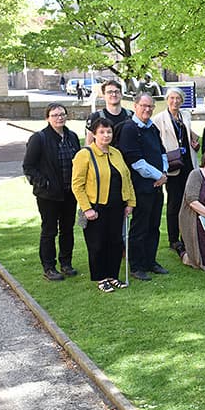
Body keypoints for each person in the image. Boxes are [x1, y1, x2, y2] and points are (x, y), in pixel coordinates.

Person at [72, 118, 136, 292]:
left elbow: (127, 179)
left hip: (117, 206)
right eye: (102, 132)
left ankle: (112, 275)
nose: (106, 135)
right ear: (93, 134)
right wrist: (87, 209)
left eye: (109, 132)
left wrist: (130, 202)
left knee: (115, 242)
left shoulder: (116, 153)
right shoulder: (84, 154)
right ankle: (101, 277)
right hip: (96, 207)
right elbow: (77, 185)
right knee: (97, 244)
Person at [23, 104, 82, 281]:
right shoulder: (39, 138)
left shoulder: (71, 137)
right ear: (48, 118)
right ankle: (49, 267)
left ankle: (66, 263)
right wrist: (44, 183)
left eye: (62, 114)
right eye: (55, 115)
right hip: (48, 195)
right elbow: (28, 166)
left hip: (69, 193)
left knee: (67, 229)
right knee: (49, 231)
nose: (59, 118)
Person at [117, 93, 169, 281]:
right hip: (140, 188)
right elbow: (135, 161)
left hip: (156, 186)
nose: (147, 109)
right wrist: (159, 175)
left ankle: (150, 261)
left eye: (150, 106)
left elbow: (162, 152)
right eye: (144, 106)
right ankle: (136, 265)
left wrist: (164, 173)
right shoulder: (129, 129)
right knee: (139, 228)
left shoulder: (152, 128)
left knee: (153, 226)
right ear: (136, 105)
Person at [153, 87, 200, 253]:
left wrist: (195, 142)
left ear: (182, 100)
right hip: (172, 165)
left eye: (178, 98)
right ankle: (173, 239)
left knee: (189, 200)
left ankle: (186, 235)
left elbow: (188, 134)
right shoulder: (159, 119)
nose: (175, 101)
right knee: (174, 203)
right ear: (167, 100)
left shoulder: (185, 115)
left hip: (187, 163)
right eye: (172, 98)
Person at [84, 79, 132, 144]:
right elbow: (89, 144)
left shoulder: (131, 115)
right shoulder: (95, 117)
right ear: (103, 95)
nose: (114, 94)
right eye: (110, 92)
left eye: (116, 91)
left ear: (121, 94)